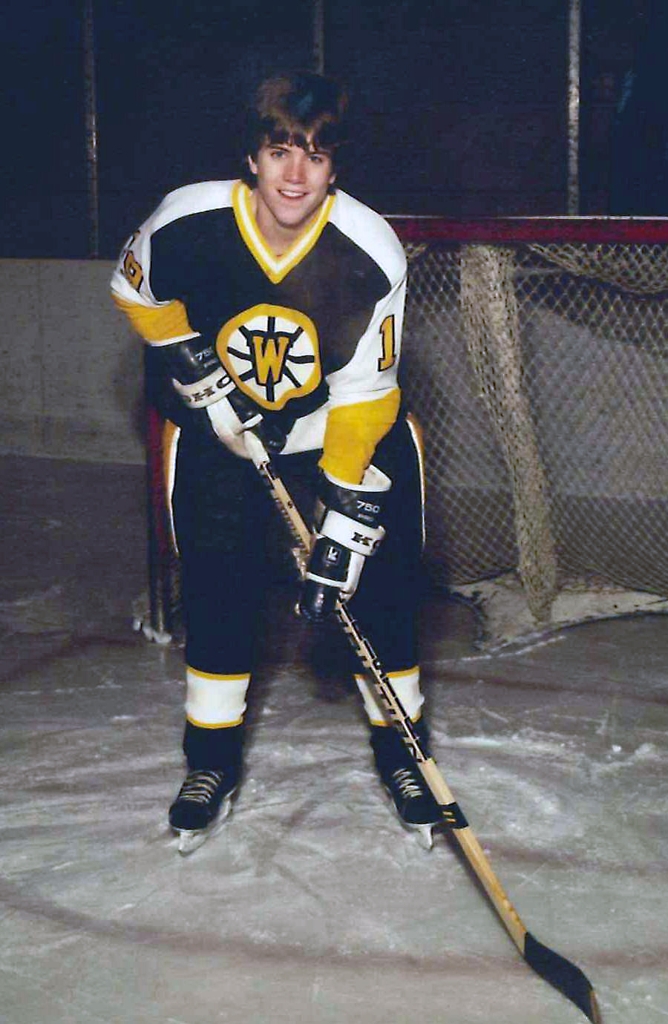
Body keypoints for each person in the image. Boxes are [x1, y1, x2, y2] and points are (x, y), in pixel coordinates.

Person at [111, 70, 440, 850]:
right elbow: (133, 291)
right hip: (223, 431)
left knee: (379, 593)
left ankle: (406, 756)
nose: (297, 174)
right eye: (281, 150)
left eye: (317, 156)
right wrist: (184, 359)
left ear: (336, 168)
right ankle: (211, 762)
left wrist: (342, 513)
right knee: (219, 590)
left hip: (342, 428)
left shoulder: (370, 249)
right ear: (252, 157)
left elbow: (366, 395)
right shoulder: (184, 223)